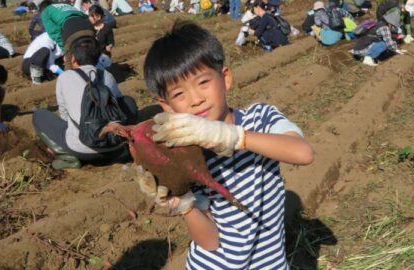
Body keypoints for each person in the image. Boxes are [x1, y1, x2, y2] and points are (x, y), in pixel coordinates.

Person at [141, 20, 313, 270]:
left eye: (203, 83)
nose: (196, 99)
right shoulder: (186, 154)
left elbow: (302, 153)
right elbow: (210, 242)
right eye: (179, 94)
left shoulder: (260, 119)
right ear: (167, 106)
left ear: (225, 79)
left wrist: (234, 137)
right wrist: (184, 203)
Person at [32, 36, 138, 169]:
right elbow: (118, 106)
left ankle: (67, 156)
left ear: (73, 59)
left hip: (81, 149)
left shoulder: (65, 77)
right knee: (128, 101)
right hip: (113, 146)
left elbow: (64, 116)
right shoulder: (107, 75)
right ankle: (122, 145)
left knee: (39, 115)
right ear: (98, 58)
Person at [89, 4, 114, 69]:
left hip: (103, 55)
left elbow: (111, 42)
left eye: (92, 16)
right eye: (89, 16)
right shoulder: (89, 28)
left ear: (99, 16)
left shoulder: (107, 28)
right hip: (92, 56)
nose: (90, 18)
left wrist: (109, 46)